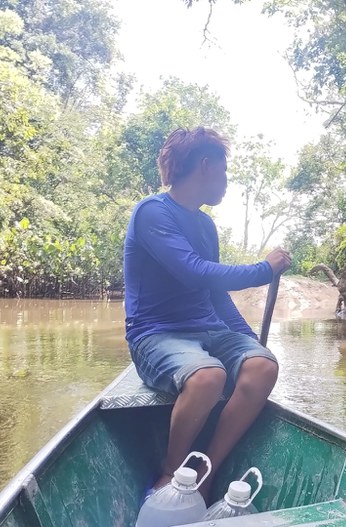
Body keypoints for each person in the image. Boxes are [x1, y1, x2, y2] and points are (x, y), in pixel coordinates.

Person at [123, 126, 292, 501]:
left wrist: (249, 342)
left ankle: (206, 471)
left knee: (263, 367)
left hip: (209, 331)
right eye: (224, 170)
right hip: (156, 334)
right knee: (208, 377)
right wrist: (263, 270)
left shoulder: (205, 225)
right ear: (205, 165)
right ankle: (171, 473)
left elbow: (214, 293)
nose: (227, 181)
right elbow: (194, 272)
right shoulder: (152, 213)